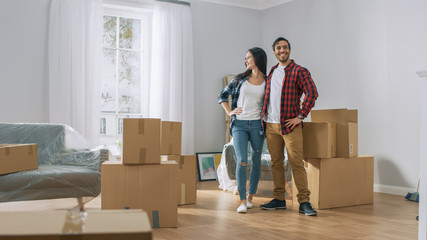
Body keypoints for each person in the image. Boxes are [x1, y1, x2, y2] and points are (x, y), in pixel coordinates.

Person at [260, 37, 319, 216]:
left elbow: (312, 92)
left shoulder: (300, 71)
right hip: (271, 125)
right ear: (274, 52)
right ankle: (279, 199)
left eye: (285, 47)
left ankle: (304, 201)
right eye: (278, 48)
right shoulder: (271, 72)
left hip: (290, 125)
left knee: (296, 163)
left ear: (289, 50)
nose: (282, 50)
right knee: (276, 163)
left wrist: (300, 116)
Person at [218, 47, 267, 213]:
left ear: (258, 59)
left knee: (256, 160)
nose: (246, 60)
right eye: (245, 58)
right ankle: (243, 201)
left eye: (249, 57)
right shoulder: (240, 79)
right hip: (239, 124)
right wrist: (230, 112)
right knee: (242, 160)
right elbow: (222, 96)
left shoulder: (267, 81)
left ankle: (251, 196)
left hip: (257, 125)